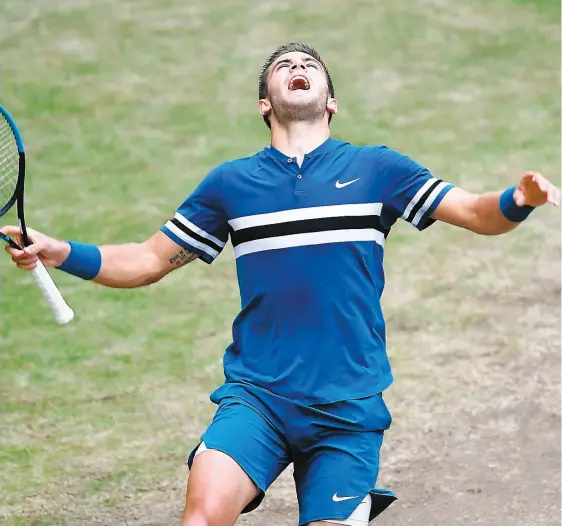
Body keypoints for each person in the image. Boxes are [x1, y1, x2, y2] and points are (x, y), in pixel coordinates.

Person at [2, 42, 560, 526]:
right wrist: (60, 251)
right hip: (258, 397)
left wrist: (519, 199)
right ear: (265, 103)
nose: (298, 65)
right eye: (285, 64)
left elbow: (476, 212)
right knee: (202, 513)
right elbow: (147, 260)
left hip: (347, 407)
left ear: (330, 101)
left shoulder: (377, 170)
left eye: (309, 64)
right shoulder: (231, 184)